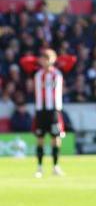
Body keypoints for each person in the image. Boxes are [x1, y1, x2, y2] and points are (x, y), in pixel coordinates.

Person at [20, 50, 76, 178]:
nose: (45, 60)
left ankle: (56, 166)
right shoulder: (36, 73)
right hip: (41, 110)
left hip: (54, 110)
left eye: (48, 58)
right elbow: (23, 61)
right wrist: (37, 60)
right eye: (43, 58)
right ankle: (39, 167)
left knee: (55, 138)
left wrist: (56, 58)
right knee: (40, 139)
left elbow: (72, 59)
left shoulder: (58, 72)